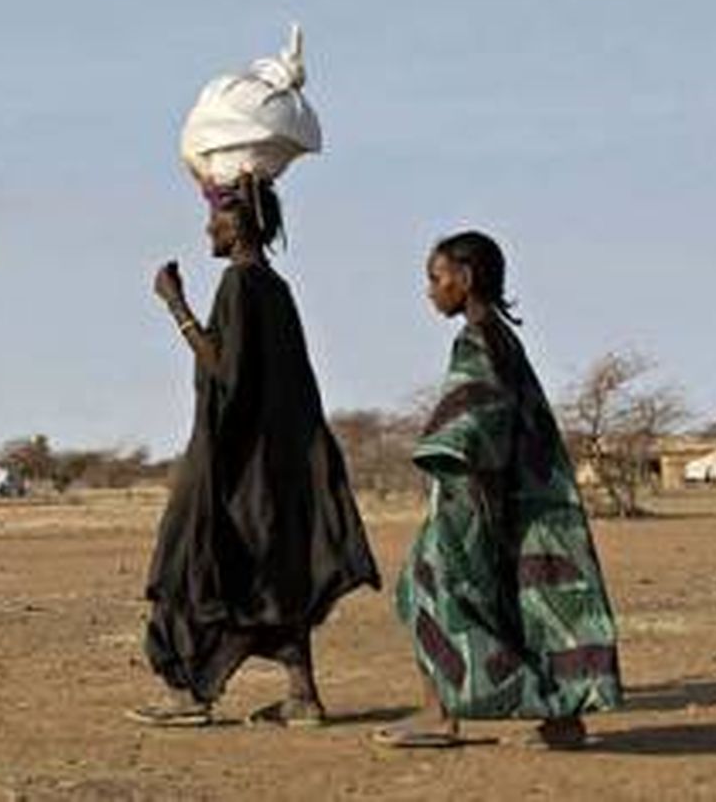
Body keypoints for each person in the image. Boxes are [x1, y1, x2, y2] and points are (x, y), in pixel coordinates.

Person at [130, 176, 380, 728]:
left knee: (192, 561)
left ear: (240, 223)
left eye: (216, 217)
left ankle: (187, 691)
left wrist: (175, 305)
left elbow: (224, 367)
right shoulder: (275, 286)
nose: (206, 228)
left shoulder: (240, 284)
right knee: (267, 571)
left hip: (234, 461)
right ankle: (302, 696)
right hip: (274, 463)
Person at [377, 232, 621, 749]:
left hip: (476, 499)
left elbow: (476, 423)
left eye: (436, 277)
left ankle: (439, 714)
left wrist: (457, 473)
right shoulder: (501, 336)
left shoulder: (477, 340)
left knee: (426, 591)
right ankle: (561, 719)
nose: (430, 290)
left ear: (464, 280)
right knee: (519, 603)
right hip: (514, 498)